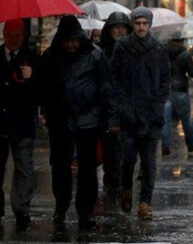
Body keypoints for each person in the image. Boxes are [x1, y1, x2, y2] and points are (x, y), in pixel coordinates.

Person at [40, 16, 116, 230]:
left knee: (88, 169)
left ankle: (85, 211)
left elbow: (106, 87)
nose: (71, 44)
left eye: (74, 40)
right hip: (60, 120)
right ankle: (61, 205)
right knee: (60, 167)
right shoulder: (51, 56)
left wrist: (110, 117)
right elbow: (43, 86)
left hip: (88, 119)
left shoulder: (95, 55)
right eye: (67, 40)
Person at [110, 7, 169, 220]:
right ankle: (126, 188)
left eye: (144, 23)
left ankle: (145, 202)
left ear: (150, 25)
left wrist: (158, 105)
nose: (141, 27)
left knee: (149, 161)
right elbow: (114, 78)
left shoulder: (159, 49)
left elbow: (165, 80)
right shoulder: (122, 48)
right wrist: (122, 107)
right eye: (137, 23)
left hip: (151, 115)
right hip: (129, 115)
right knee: (128, 158)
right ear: (133, 25)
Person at [0, 20, 36, 231]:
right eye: (10, 35)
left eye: (18, 36)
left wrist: (31, 78)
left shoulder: (30, 58)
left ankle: (21, 209)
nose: (14, 40)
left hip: (22, 123)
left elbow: (40, 91)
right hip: (1, 123)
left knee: (24, 167)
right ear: (4, 33)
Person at [97, 11, 131, 207]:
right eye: (116, 27)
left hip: (127, 107)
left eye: (123, 27)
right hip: (106, 107)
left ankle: (118, 183)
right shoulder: (101, 51)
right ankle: (113, 183)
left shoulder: (132, 50)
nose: (120, 31)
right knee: (110, 149)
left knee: (123, 149)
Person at [163, 36, 193, 155]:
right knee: (186, 119)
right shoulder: (186, 54)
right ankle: (191, 143)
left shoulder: (162, 53)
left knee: (165, 120)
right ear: (182, 41)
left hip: (166, 89)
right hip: (181, 90)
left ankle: (165, 145)